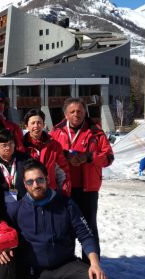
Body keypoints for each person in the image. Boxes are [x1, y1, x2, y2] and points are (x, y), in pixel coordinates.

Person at [6, 160, 108, 279]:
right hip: (36, 272)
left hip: (65, 265)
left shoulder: (66, 204)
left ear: (47, 179)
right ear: (24, 183)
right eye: (30, 182)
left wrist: (95, 263)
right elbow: (3, 233)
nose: (35, 185)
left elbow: (85, 234)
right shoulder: (17, 209)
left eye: (39, 180)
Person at [49, 98, 114, 260]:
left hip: (87, 189)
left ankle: (91, 264)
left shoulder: (95, 131)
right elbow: (49, 153)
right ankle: (67, 262)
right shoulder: (56, 131)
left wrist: (90, 157)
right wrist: (64, 156)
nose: (76, 114)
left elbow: (109, 158)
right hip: (64, 187)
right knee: (65, 227)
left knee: (89, 227)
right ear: (65, 114)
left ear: (85, 112)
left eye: (79, 111)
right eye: (72, 111)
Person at [0, 129, 31, 219]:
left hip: (26, 205)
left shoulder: (25, 159)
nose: (8, 148)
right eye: (4, 145)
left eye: (11, 144)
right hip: (1, 209)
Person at [22, 109, 71, 196]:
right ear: (26, 126)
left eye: (39, 122)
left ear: (44, 125)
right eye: (33, 123)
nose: (36, 126)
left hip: (50, 192)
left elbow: (62, 171)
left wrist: (64, 192)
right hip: (28, 193)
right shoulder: (21, 146)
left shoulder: (54, 145)